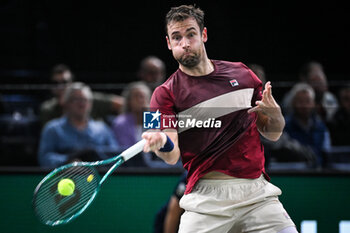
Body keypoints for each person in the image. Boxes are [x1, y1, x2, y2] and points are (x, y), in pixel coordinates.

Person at [141, 5, 297, 233]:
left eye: (191, 34)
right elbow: (171, 155)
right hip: (205, 200)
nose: (184, 43)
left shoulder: (243, 75)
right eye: (177, 37)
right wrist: (161, 143)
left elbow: (273, 133)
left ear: (203, 35)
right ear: (168, 43)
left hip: (257, 194)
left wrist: (276, 115)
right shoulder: (162, 94)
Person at [38, 82, 119, 168]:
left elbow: (115, 156)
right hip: (64, 176)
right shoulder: (52, 129)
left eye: (85, 100)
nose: (82, 104)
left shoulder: (102, 129)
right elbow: (44, 158)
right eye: (76, 99)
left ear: (90, 104)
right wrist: (68, 160)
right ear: (66, 103)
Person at [40, 64, 124, 126]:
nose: (60, 86)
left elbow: (123, 104)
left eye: (64, 82)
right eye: (56, 83)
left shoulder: (88, 97)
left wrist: (121, 124)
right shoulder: (48, 109)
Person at [284, 83, 331, 168]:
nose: (304, 105)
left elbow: (325, 154)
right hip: (292, 172)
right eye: (300, 101)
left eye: (308, 101)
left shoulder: (321, 127)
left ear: (313, 104)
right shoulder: (284, 126)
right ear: (293, 103)